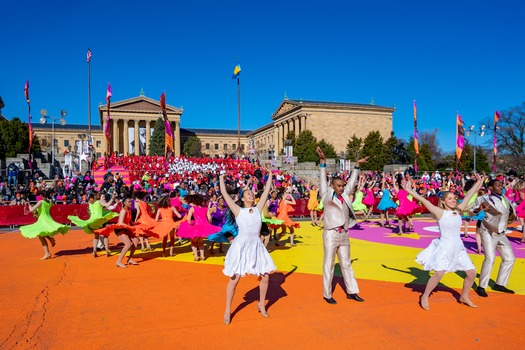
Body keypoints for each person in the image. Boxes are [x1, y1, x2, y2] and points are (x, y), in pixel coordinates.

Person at [401, 174, 485, 310]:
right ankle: (424, 296)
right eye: (450, 198)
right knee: (439, 273)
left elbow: (470, 194)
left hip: (459, 248)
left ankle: (464, 296)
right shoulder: (439, 212)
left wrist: (479, 182)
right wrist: (409, 190)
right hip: (444, 247)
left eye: (454, 198)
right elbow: (424, 200)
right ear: (444, 201)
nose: (453, 200)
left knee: (471, 273)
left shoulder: (458, 210)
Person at [219, 168, 275, 325]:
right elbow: (224, 194)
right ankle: (227, 310)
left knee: (265, 277)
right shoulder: (238, 211)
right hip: (241, 247)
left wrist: (270, 175)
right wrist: (222, 178)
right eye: (248, 193)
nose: (251, 194)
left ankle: (261, 304)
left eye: (252, 193)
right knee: (234, 280)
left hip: (256, 246)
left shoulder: (257, 209)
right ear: (243, 199)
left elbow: (265, 192)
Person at [317, 146, 367, 305]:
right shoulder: (326, 195)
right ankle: (327, 294)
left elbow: (352, 181)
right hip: (331, 233)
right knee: (328, 264)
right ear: (333, 186)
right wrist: (323, 163)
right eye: (339, 186)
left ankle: (352, 291)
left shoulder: (345, 195)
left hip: (344, 234)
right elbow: (322, 180)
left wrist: (357, 165)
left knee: (346, 264)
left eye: (343, 186)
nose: (342, 188)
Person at [473, 179, 517, 297]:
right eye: (497, 185)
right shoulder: (484, 198)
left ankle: (500, 284)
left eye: (501, 185)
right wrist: (478, 209)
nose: (500, 187)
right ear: (491, 188)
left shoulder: (505, 199)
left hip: (501, 232)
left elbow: (513, 208)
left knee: (510, 258)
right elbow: (471, 210)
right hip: (488, 231)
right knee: (490, 259)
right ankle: (481, 286)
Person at [20, 189, 70, 260]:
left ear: (41, 195)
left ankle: (47, 252)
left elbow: (31, 210)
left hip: (43, 219)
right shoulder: (49, 202)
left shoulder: (41, 202)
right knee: (43, 233)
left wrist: (29, 205)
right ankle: (49, 244)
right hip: (48, 218)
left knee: (41, 235)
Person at [68, 192, 119, 257]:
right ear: (95, 196)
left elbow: (89, 212)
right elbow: (107, 204)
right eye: (98, 194)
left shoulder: (90, 203)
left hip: (92, 222)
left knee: (96, 236)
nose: (99, 195)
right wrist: (112, 198)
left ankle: (94, 251)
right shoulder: (99, 201)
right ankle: (107, 251)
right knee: (105, 235)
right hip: (99, 221)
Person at [95, 196, 139, 268]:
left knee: (136, 240)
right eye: (129, 202)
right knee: (128, 243)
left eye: (131, 202)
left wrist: (133, 224)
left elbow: (129, 220)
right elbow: (121, 223)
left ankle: (130, 259)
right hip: (119, 229)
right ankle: (118, 261)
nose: (131, 203)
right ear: (124, 203)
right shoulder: (123, 211)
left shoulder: (129, 210)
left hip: (126, 228)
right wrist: (131, 227)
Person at [177, 194, 221, 261]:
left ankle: (196, 256)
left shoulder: (192, 208)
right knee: (201, 241)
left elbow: (188, 219)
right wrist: (210, 225)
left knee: (193, 242)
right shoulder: (206, 209)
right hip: (204, 226)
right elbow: (209, 218)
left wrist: (190, 225)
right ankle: (202, 256)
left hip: (196, 226)